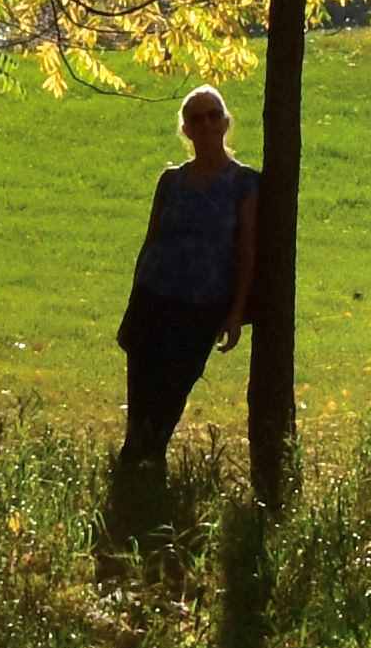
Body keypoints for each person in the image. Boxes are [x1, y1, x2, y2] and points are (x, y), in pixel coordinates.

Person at [113, 83, 264, 479]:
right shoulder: (171, 181)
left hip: (202, 304)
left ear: (226, 123)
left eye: (214, 115)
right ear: (187, 130)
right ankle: (136, 463)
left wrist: (236, 313)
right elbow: (151, 240)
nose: (207, 124)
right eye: (197, 118)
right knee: (141, 384)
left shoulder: (245, 183)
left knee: (174, 385)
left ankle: (150, 456)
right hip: (154, 295)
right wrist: (135, 300)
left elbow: (248, 252)